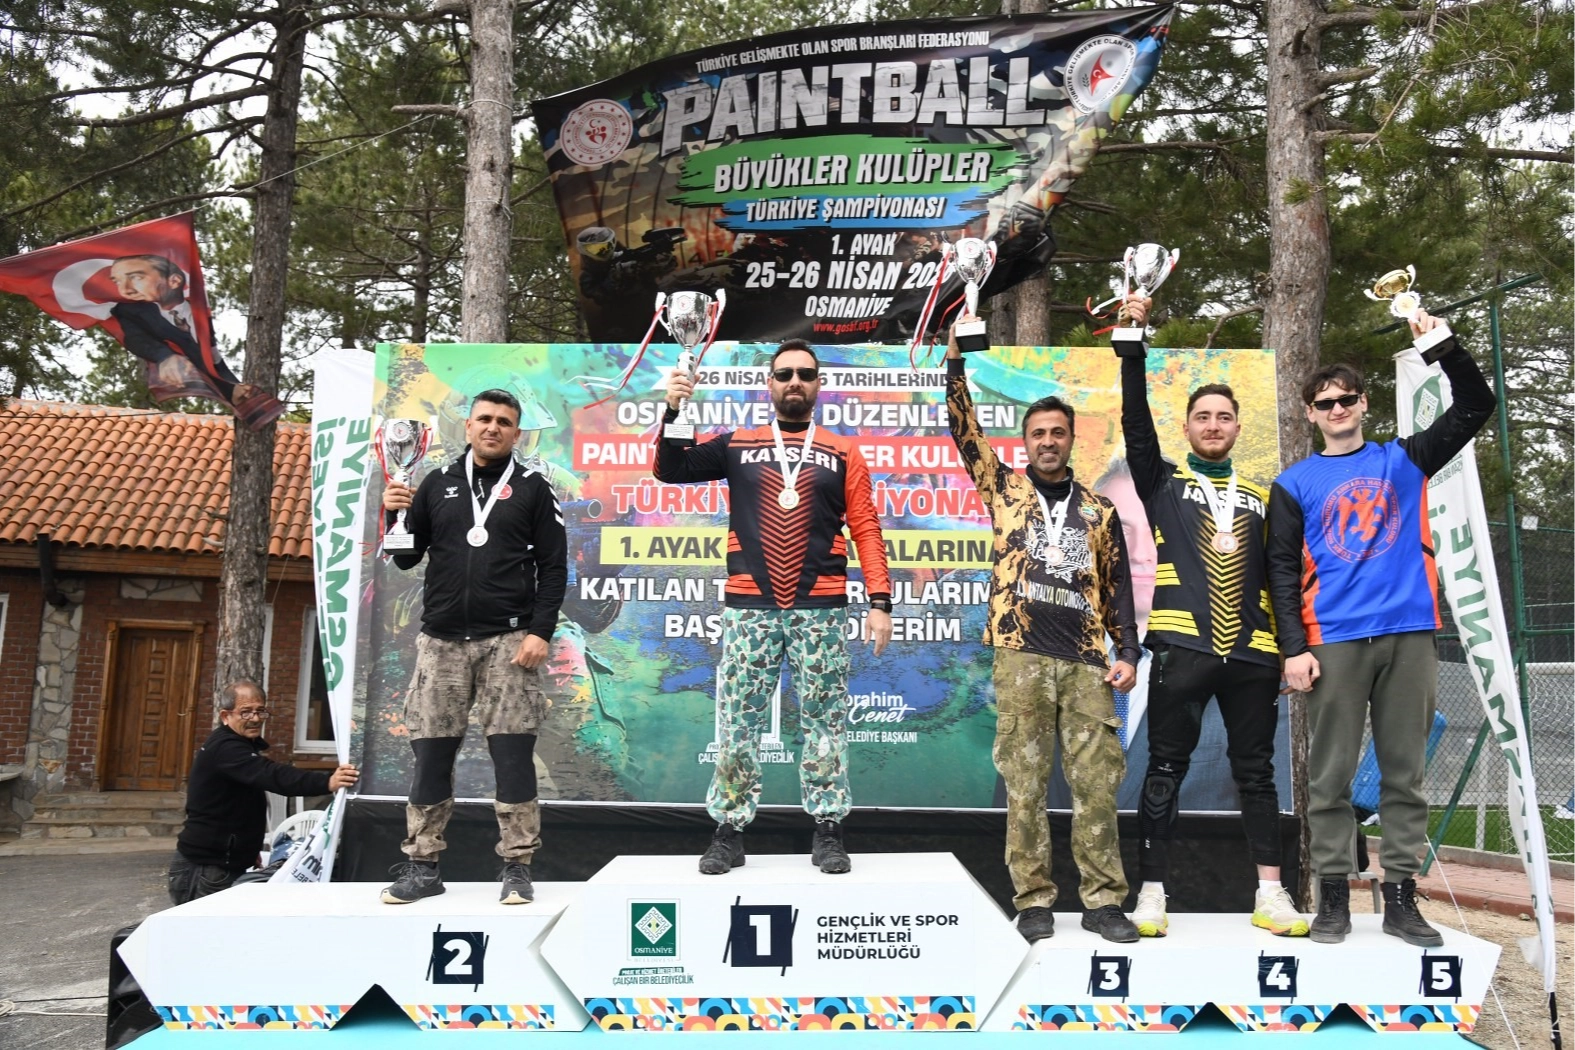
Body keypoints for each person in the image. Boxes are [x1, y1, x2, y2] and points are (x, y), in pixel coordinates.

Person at [1267, 313, 1496, 946]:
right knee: (1330, 777)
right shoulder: (1293, 484)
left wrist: (1439, 344)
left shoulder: (1406, 458)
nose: (1337, 409)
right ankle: (1333, 898)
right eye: (1325, 403)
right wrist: (1293, 649)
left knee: (1404, 775)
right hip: (1333, 640)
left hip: (1409, 632)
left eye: (1347, 398)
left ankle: (1400, 899)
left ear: (1364, 403)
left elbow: (1477, 405)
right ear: (1310, 414)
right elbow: (1280, 572)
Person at [655, 339, 892, 875]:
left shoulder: (842, 451)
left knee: (825, 718)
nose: (794, 382)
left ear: (818, 384)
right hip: (750, 606)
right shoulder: (738, 443)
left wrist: (880, 600)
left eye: (805, 374)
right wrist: (674, 409)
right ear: (769, 384)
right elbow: (671, 469)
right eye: (784, 374)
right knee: (737, 719)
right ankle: (729, 829)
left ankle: (828, 828)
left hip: (822, 606)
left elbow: (866, 528)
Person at [945, 318, 1142, 944]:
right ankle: (1033, 901)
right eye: (1038, 434)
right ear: (1025, 442)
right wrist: (954, 365)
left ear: (1071, 440)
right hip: (1020, 655)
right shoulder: (1003, 488)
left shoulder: (1100, 511)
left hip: (1086, 660)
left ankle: (1103, 901)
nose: (1048, 441)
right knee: (1024, 785)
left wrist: (1129, 651)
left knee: (1097, 785)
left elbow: (1118, 587)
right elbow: (964, 431)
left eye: (1058, 432)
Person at [1116, 296, 1301, 939]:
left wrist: (1292, 647)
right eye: (1203, 417)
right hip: (1183, 647)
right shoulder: (1162, 484)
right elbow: (1137, 427)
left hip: (1253, 653)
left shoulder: (1265, 494)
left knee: (1257, 773)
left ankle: (1271, 895)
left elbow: (1282, 576)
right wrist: (1131, 346)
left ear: (1238, 428)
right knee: (1165, 768)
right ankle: (1151, 893)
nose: (1214, 425)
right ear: (1188, 427)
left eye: (1224, 417)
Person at [379, 389, 568, 905]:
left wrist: (540, 632)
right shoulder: (434, 482)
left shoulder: (533, 487)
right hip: (440, 643)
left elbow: (554, 568)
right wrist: (392, 514)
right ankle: (422, 866)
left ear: (516, 433)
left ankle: (517, 867)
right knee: (431, 758)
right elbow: (405, 557)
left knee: (513, 757)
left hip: (509, 642)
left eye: (504, 422)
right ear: (468, 426)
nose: (493, 428)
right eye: (484, 418)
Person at [168, 681, 358, 906]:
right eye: (246, 712)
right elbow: (272, 775)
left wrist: (248, 850)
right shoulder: (227, 748)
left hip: (221, 863)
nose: (255, 718)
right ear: (225, 716)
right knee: (204, 926)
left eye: (260, 711)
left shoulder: (241, 745)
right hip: (205, 868)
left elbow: (238, 803)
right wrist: (327, 781)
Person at [108, 254, 263, 411]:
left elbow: (213, 361)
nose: (125, 290)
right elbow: (136, 339)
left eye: (136, 277)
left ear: (174, 281)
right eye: (117, 281)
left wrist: (233, 387)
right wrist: (165, 356)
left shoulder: (202, 313)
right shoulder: (130, 313)